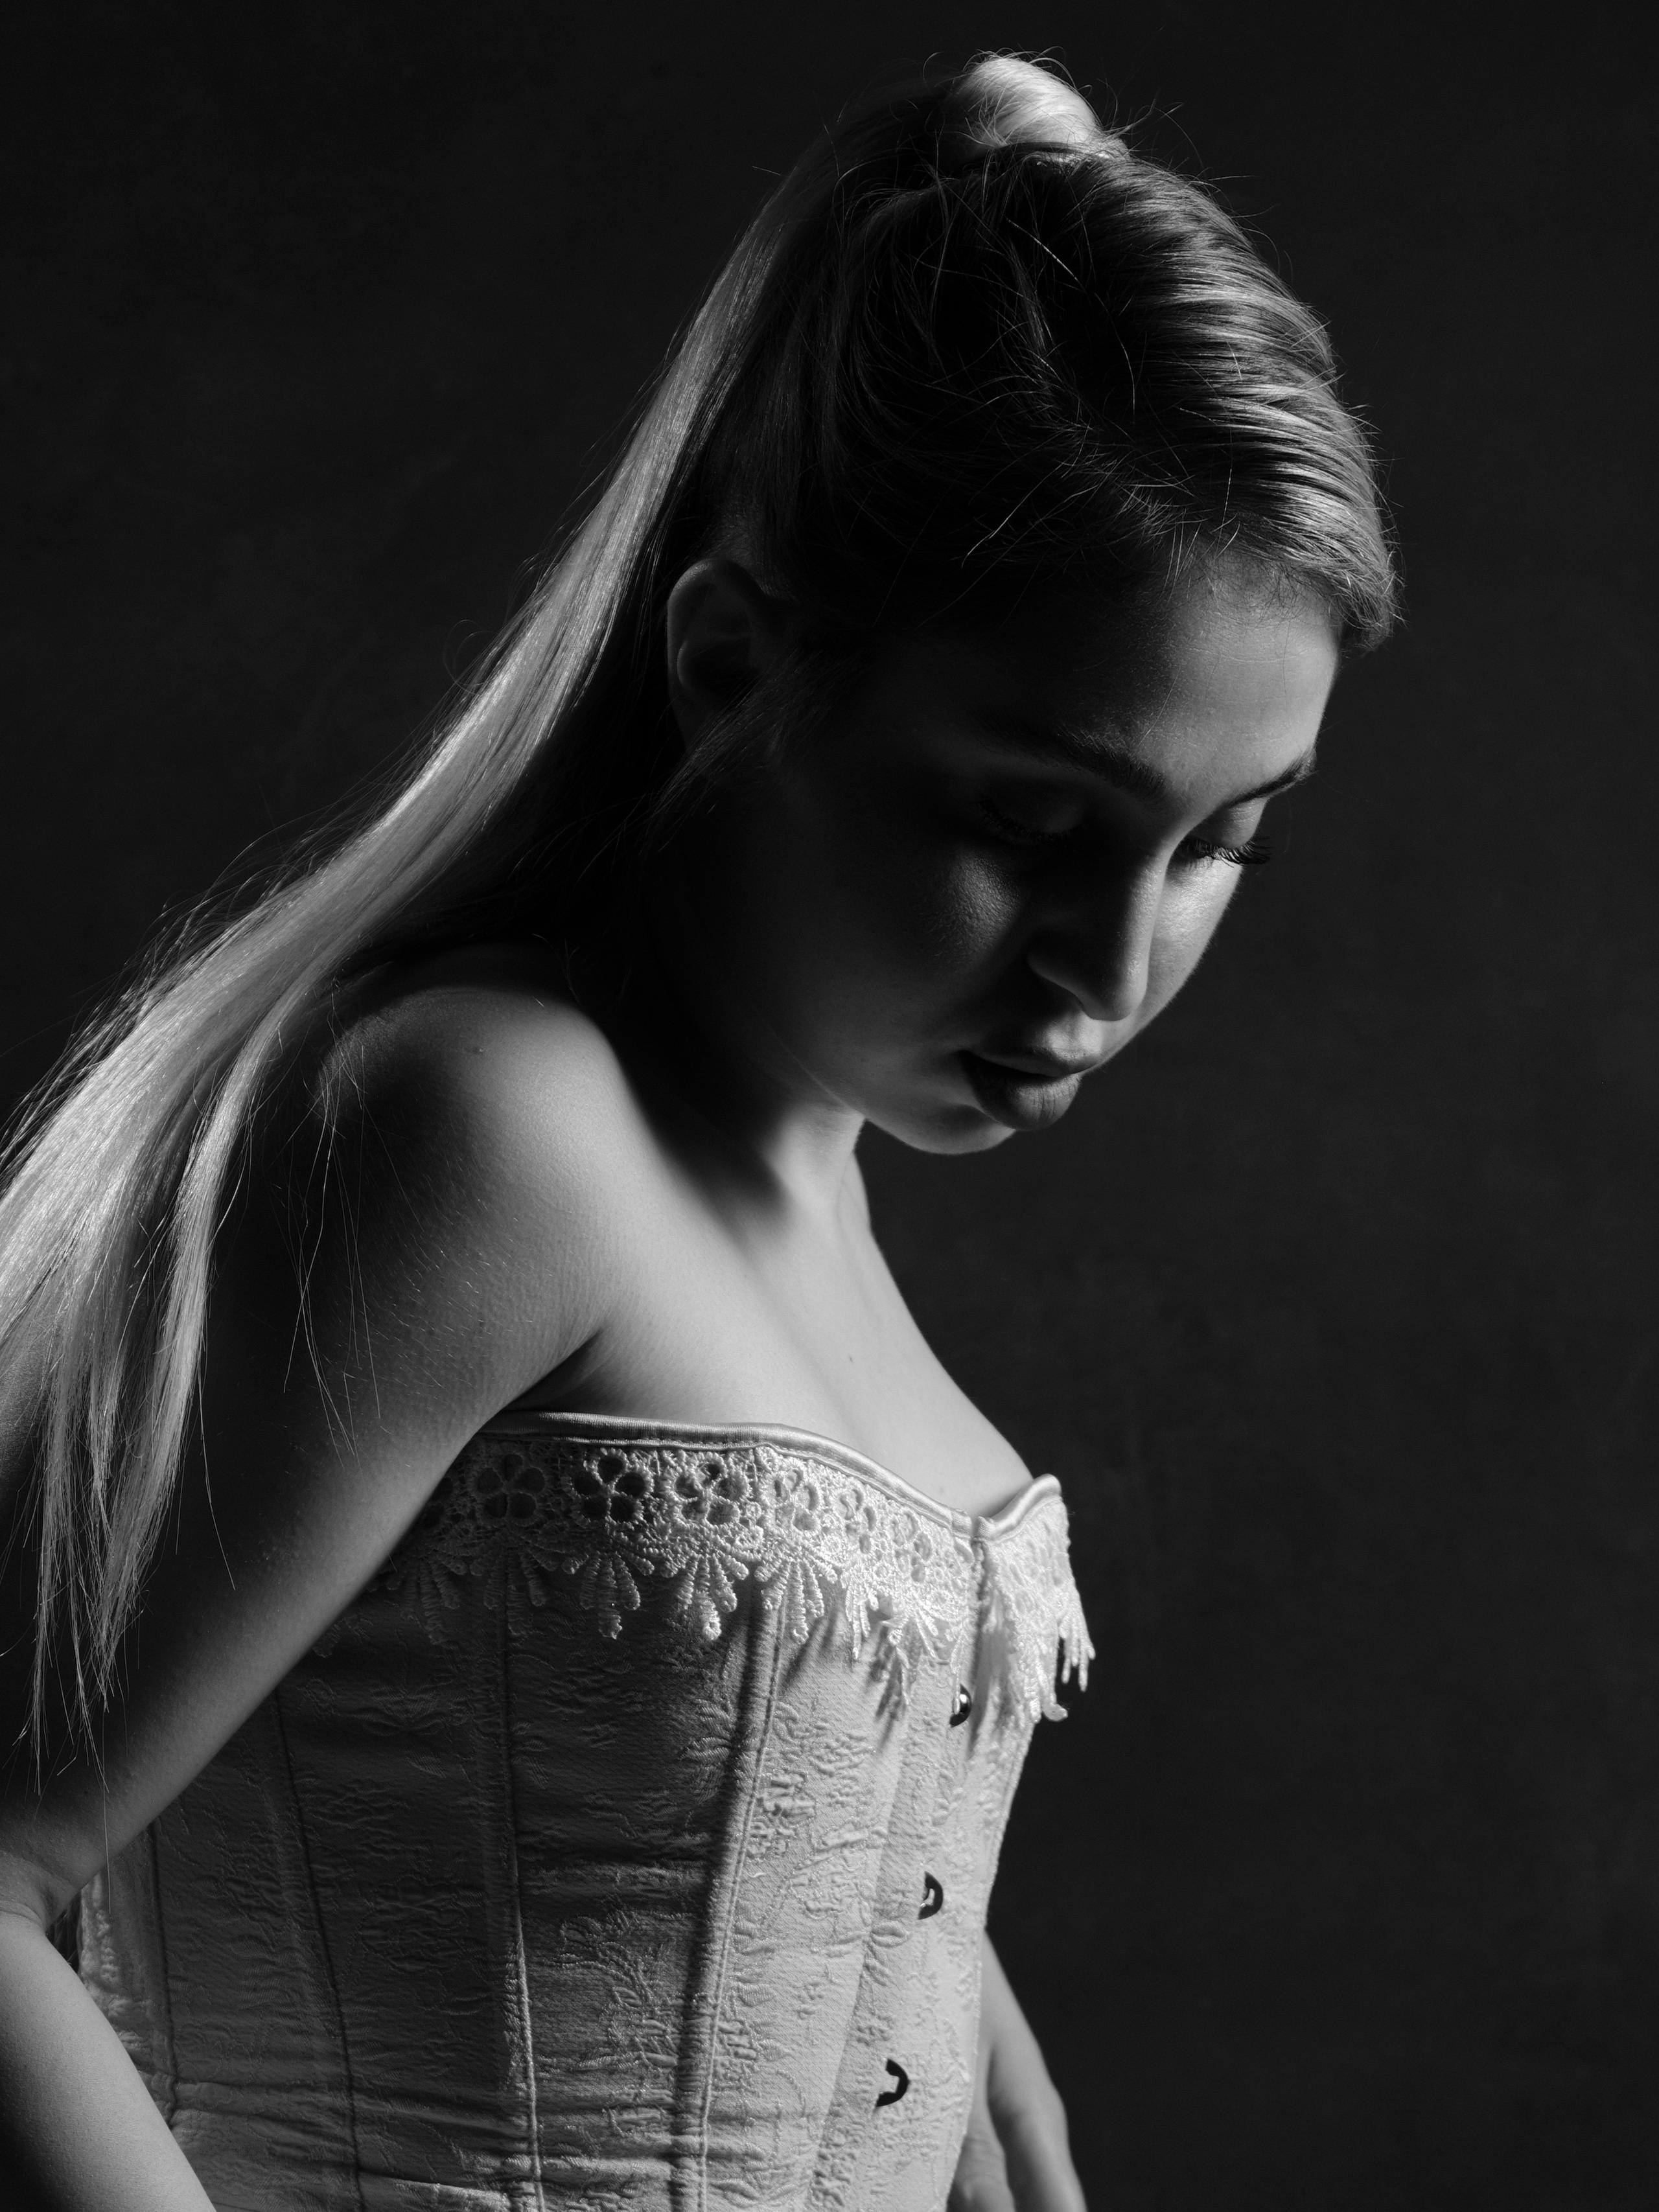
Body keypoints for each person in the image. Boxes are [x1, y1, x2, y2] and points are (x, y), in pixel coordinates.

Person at [0, 51, 1395, 2212]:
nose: (1112, 971)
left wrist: (908, 1974)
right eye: (1030, 824)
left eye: (1226, 846)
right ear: (734, 666)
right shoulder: (488, 1125)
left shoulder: (810, 1183)